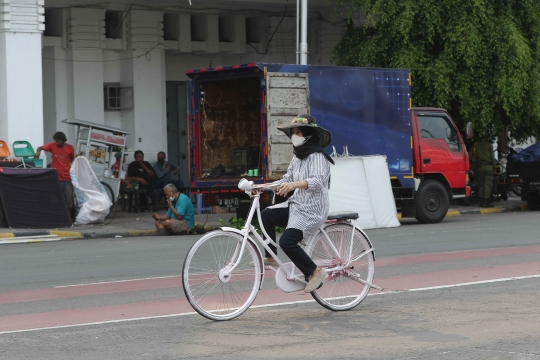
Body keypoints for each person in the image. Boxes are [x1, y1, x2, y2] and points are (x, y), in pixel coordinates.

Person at [259, 114, 335, 293]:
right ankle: (270, 256)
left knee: (287, 241)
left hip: (312, 210)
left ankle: (315, 272)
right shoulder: (297, 157)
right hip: (297, 205)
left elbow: (317, 181)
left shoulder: (317, 156)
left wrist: (293, 185)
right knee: (266, 215)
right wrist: (262, 187)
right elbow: (286, 179)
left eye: (298, 132)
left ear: (308, 134)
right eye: (293, 132)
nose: (294, 136)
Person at [34, 132, 75, 219]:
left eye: (59, 141)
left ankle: (68, 218)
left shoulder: (70, 148)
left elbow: (73, 160)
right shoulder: (52, 146)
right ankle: (58, 217)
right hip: (56, 178)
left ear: (63, 140)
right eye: (56, 141)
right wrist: (38, 152)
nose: (57, 143)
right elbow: (40, 148)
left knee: (68, 199)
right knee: (56, 198)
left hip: (67, 178)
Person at [471, 134, 496, 208]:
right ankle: (486, 201)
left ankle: (481, 201)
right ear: (486, 137)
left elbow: (470, 155)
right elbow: (492, 158)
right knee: (488, 184)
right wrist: (494, 167)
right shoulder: (489, 145)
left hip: (479, 167)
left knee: (481, 183)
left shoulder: (476, 145)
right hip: (488, 167)